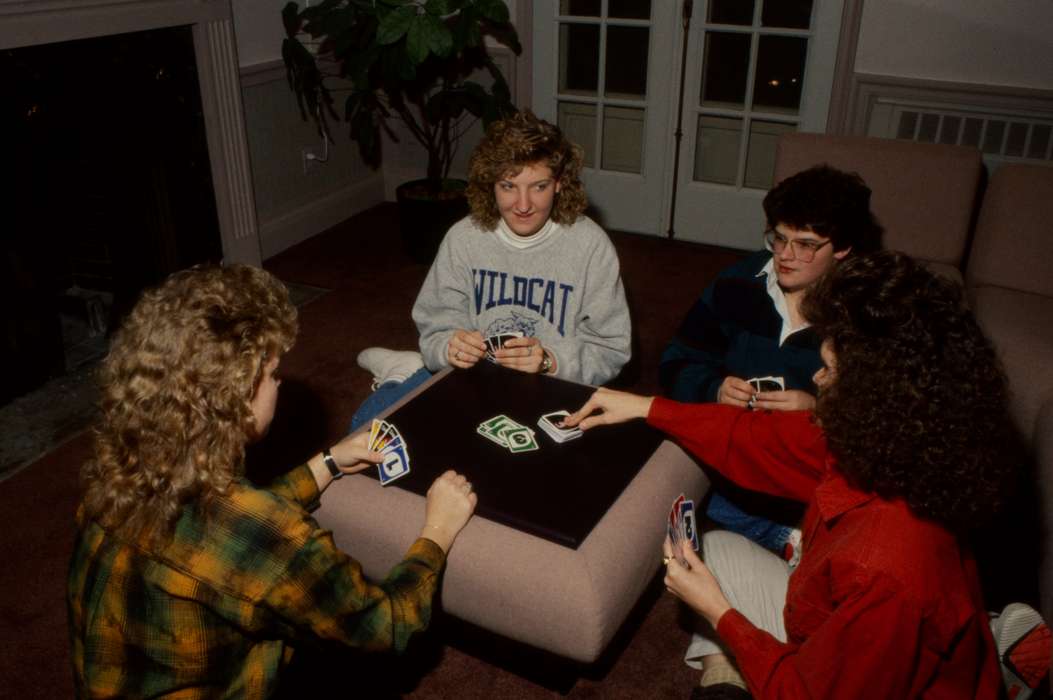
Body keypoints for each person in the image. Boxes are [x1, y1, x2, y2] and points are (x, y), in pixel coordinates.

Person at [564, 251, 1045, 698]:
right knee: (715, 548)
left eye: (831, 371)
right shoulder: (895, 445)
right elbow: (758, 438)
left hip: (836, 674)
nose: (816, 378)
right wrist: (646, 407)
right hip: (831, 619)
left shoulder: (887, 565)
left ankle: (725, 680)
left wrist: (719, 612)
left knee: (713, 598)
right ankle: (989, 636)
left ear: (877, 396)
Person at [67, 265, 478, 698]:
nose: (279, 382)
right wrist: (438, 530)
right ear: (236, 400)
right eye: (271, 372)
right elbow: (387, 627)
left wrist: (327, 463)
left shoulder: (114, 475)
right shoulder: (270, 536)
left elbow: (219, 537)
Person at [658, 165, 883, 574]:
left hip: (812, 473)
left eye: (806, 244)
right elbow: (675, 362)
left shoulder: (868, 309)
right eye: (778, 238)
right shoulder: (736, 285)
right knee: (672, 484)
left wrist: (820, 409)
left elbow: (887, 427)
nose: (785, 255)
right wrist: (713, 388)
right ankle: (794, 540)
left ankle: (804, 541)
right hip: (736, 457)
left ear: (844, 247)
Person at [352, 110, 631, 429]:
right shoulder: (464, 238)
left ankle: (411, 370)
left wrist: (550, 361)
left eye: (538, 187)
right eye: (508, 186)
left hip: (554, 389)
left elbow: (611, 350)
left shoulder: (591, 246)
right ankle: (404, 374)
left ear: (559, 184)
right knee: (365, 429)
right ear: (491, 185)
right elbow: (435, 328)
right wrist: (447, 348)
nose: (523, 205)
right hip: (471, 382)